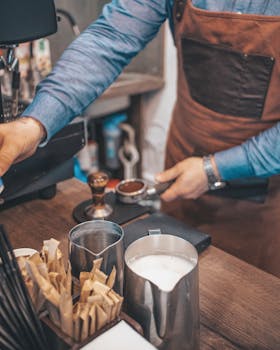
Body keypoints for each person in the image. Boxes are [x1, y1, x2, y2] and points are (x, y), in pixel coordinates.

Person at [0, 0, 280, 277]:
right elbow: (108, 40)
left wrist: (213, 169)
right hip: (182, 165)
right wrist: (33, 125)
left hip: (262, 200)